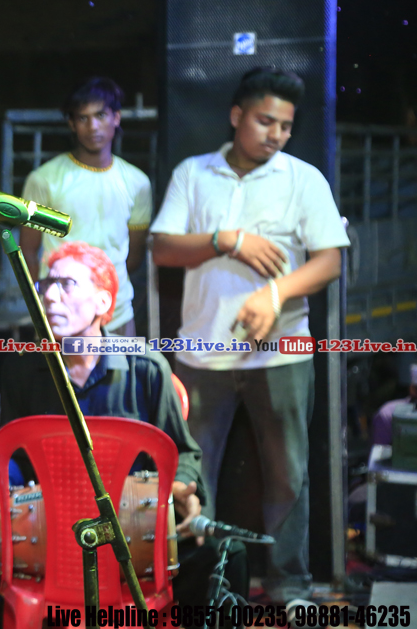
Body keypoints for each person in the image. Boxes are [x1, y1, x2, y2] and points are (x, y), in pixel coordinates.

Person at [150, 66, 350, 602]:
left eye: (286, 126)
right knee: (194, 477)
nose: (276, 134)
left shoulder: (303, 178)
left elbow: (330, 260)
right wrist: (227, 240)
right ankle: (206, 585)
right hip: (201, 355)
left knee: (288, 477)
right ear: (237, 116)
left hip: (281, 357)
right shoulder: (193, 173)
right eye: (265, 121)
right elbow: (162, 247)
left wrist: (276, 294)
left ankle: (290, 585)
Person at [0, 241, 246, 607]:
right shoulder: (22, 369)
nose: (49, 296)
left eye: (66, 285)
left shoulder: (145, 368)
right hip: (50, 536)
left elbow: (183, 451)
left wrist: (179, 488)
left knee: (227, 555)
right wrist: (1, 498)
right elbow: (11, 458)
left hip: (132, 534)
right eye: (46, 284)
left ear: (102, 303)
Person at [19, 77, 151, 336]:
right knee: (58, 366)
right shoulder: (45, 179)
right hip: (62, 315)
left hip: (118, 313)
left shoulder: (138, 182)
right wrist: (45, 302)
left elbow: (134, 256)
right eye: (83, 118)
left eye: (100, 115)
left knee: (124, 364)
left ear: (116, 118)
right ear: (72, 124)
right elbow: (28, 251)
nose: (93, 126)